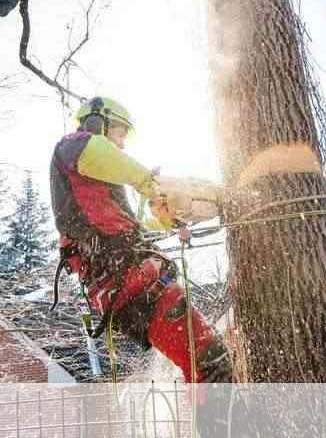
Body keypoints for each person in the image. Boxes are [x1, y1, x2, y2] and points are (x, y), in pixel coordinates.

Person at [49, 96, 233, 384]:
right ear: (97, 122)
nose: (121, 144)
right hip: (130, 284)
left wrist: (165, 222)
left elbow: (132, 229)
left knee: (207, 361)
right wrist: (149, 183)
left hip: (135, 282)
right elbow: (101, 153)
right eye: (120, 133)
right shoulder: (72, 146)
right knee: (209, 361)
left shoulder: (99, 191)